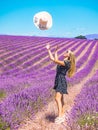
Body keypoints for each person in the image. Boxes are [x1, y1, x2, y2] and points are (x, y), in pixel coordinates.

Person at [46, 43, 76, 124]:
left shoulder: (67, 63)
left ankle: (60, 117)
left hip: (61, 80)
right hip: (59, 79)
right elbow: (53, 59)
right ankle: (62, 114)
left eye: (67, 52)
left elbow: (55, 60)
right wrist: (50, 50)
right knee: (61, 99)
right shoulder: (64, 61)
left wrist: (54, 51)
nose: (65, 52)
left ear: (69, 56)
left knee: (57, 98)